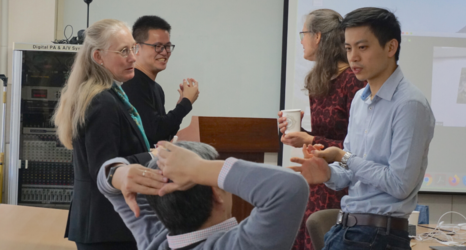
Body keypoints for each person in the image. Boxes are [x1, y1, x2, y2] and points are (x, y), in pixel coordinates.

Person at [289, 7, 435, 249]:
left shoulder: (410, 105)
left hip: (378, 236)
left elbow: (400, 185)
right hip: (345, 229)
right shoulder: (360, 100)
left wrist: (343, 157)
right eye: (348, 48)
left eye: (362, 47)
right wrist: (327, 173)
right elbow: (348, 174)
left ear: (391, 47)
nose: (353, 57)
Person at [53, 19, 159, 250]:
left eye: (133, 48)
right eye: (124, 51)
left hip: (107, 226)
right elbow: (104, 169)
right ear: (98, 57)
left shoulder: (111, 95)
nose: (133, 57)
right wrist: (152, 156)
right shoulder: (102, 102)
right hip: (106, 228)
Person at [96, 141, 309, 250]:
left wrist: (119, 173)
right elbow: (289, 187)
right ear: (217, 191)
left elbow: (108, 183)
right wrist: (198, 168)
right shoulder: (241, 244)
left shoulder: (156, 238)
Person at [277, 9, 365, 250]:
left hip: (343, 184)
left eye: (303, 33)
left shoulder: (353, 81)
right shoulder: (319, 79)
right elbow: (325, 138)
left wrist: (311, 137)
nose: (301, 40)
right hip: (317, 182)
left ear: (317, 37)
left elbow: (357, 147)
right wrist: (300, 135)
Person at [122, 15, 199, 147]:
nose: (164, 52)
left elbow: (163, 135)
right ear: (136, 48)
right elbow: (155, 133)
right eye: (157, 46)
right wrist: (185, 104)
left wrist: (180, 104)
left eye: (168, 46)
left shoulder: (157, 89)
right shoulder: (132, 83)